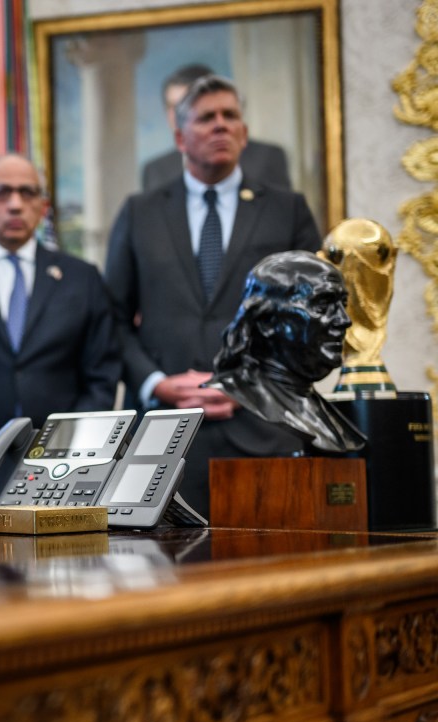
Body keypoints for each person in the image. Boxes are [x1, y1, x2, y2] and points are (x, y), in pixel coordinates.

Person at [104, 74, 322, 517]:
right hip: (162, 440)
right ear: (180, 137)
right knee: (171, 578)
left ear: (243, 131)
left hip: (264, 433)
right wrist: (155, 383)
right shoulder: (140, 212)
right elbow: (113, 319)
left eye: (230, 116)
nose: (221, 125)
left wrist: (250, 383)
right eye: (207, 118)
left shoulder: (288, 209)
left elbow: (311, 318)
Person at [0, 153, 119, 424]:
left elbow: (102, 374)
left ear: (43, 207)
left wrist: (71, 440)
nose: (15, 205)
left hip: (62, 452)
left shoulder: (81, 278)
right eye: (1, 192)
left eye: (27, 192)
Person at [209, 250, 364, 453]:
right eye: (323, 304)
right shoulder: (243, 397)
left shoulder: (329, 418)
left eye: (342, 304)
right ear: (267, 321)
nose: (344, 320)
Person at [141, 64, 291, 193]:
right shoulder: (155, 170)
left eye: (187, 105)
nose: (178, 115)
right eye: (172, 106)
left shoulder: (265, 159)